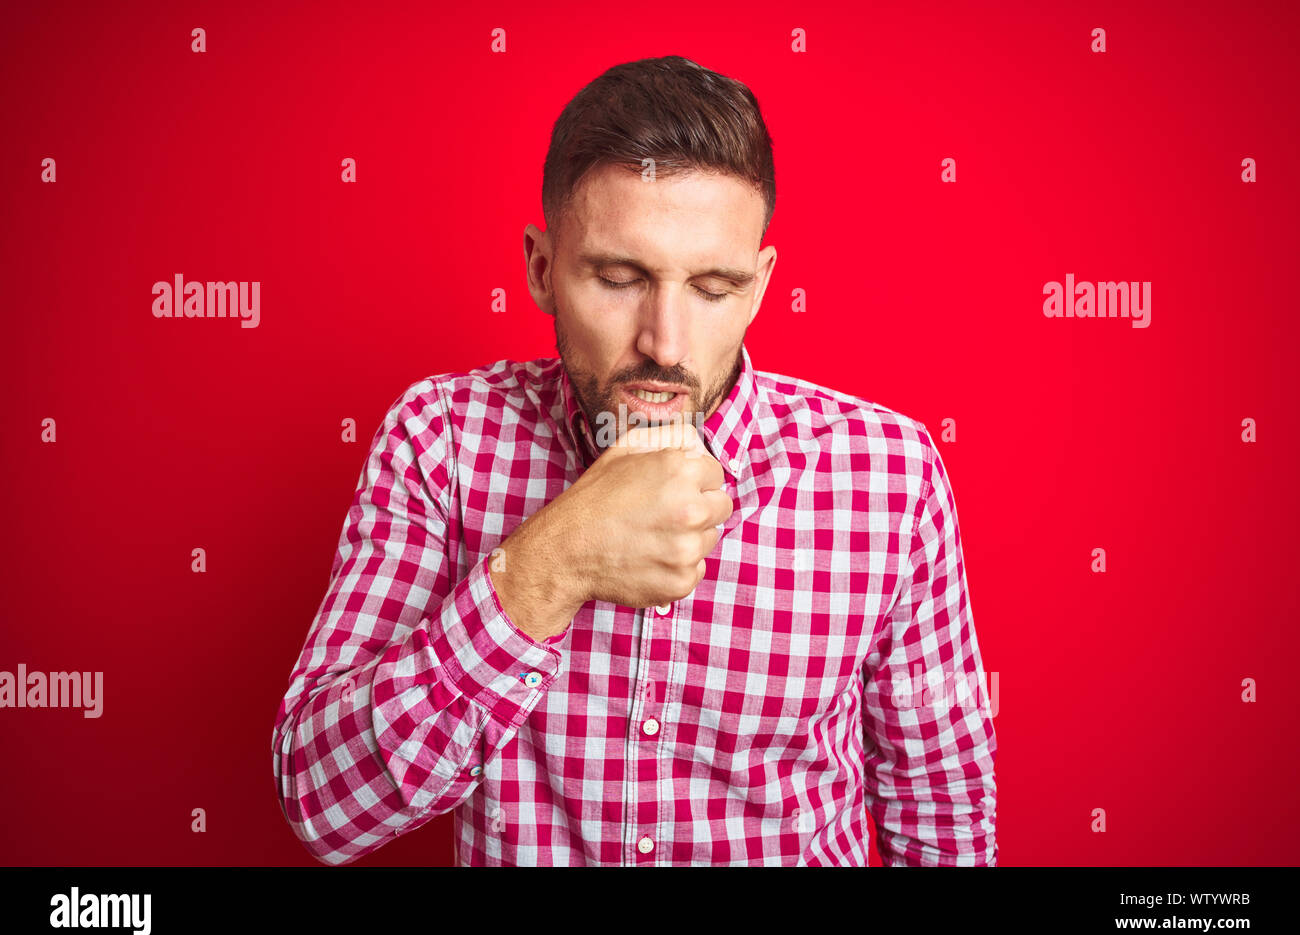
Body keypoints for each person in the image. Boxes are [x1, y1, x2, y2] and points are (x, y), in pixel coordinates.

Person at [271, 54, 997, 866]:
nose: (665, 344)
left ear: (759, 288)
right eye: (619, 278)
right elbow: (323, 804)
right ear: (542, 270)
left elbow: (943, 816)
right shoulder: (440, 440)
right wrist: (551, 562)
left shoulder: (888, 479)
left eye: (713, 289)